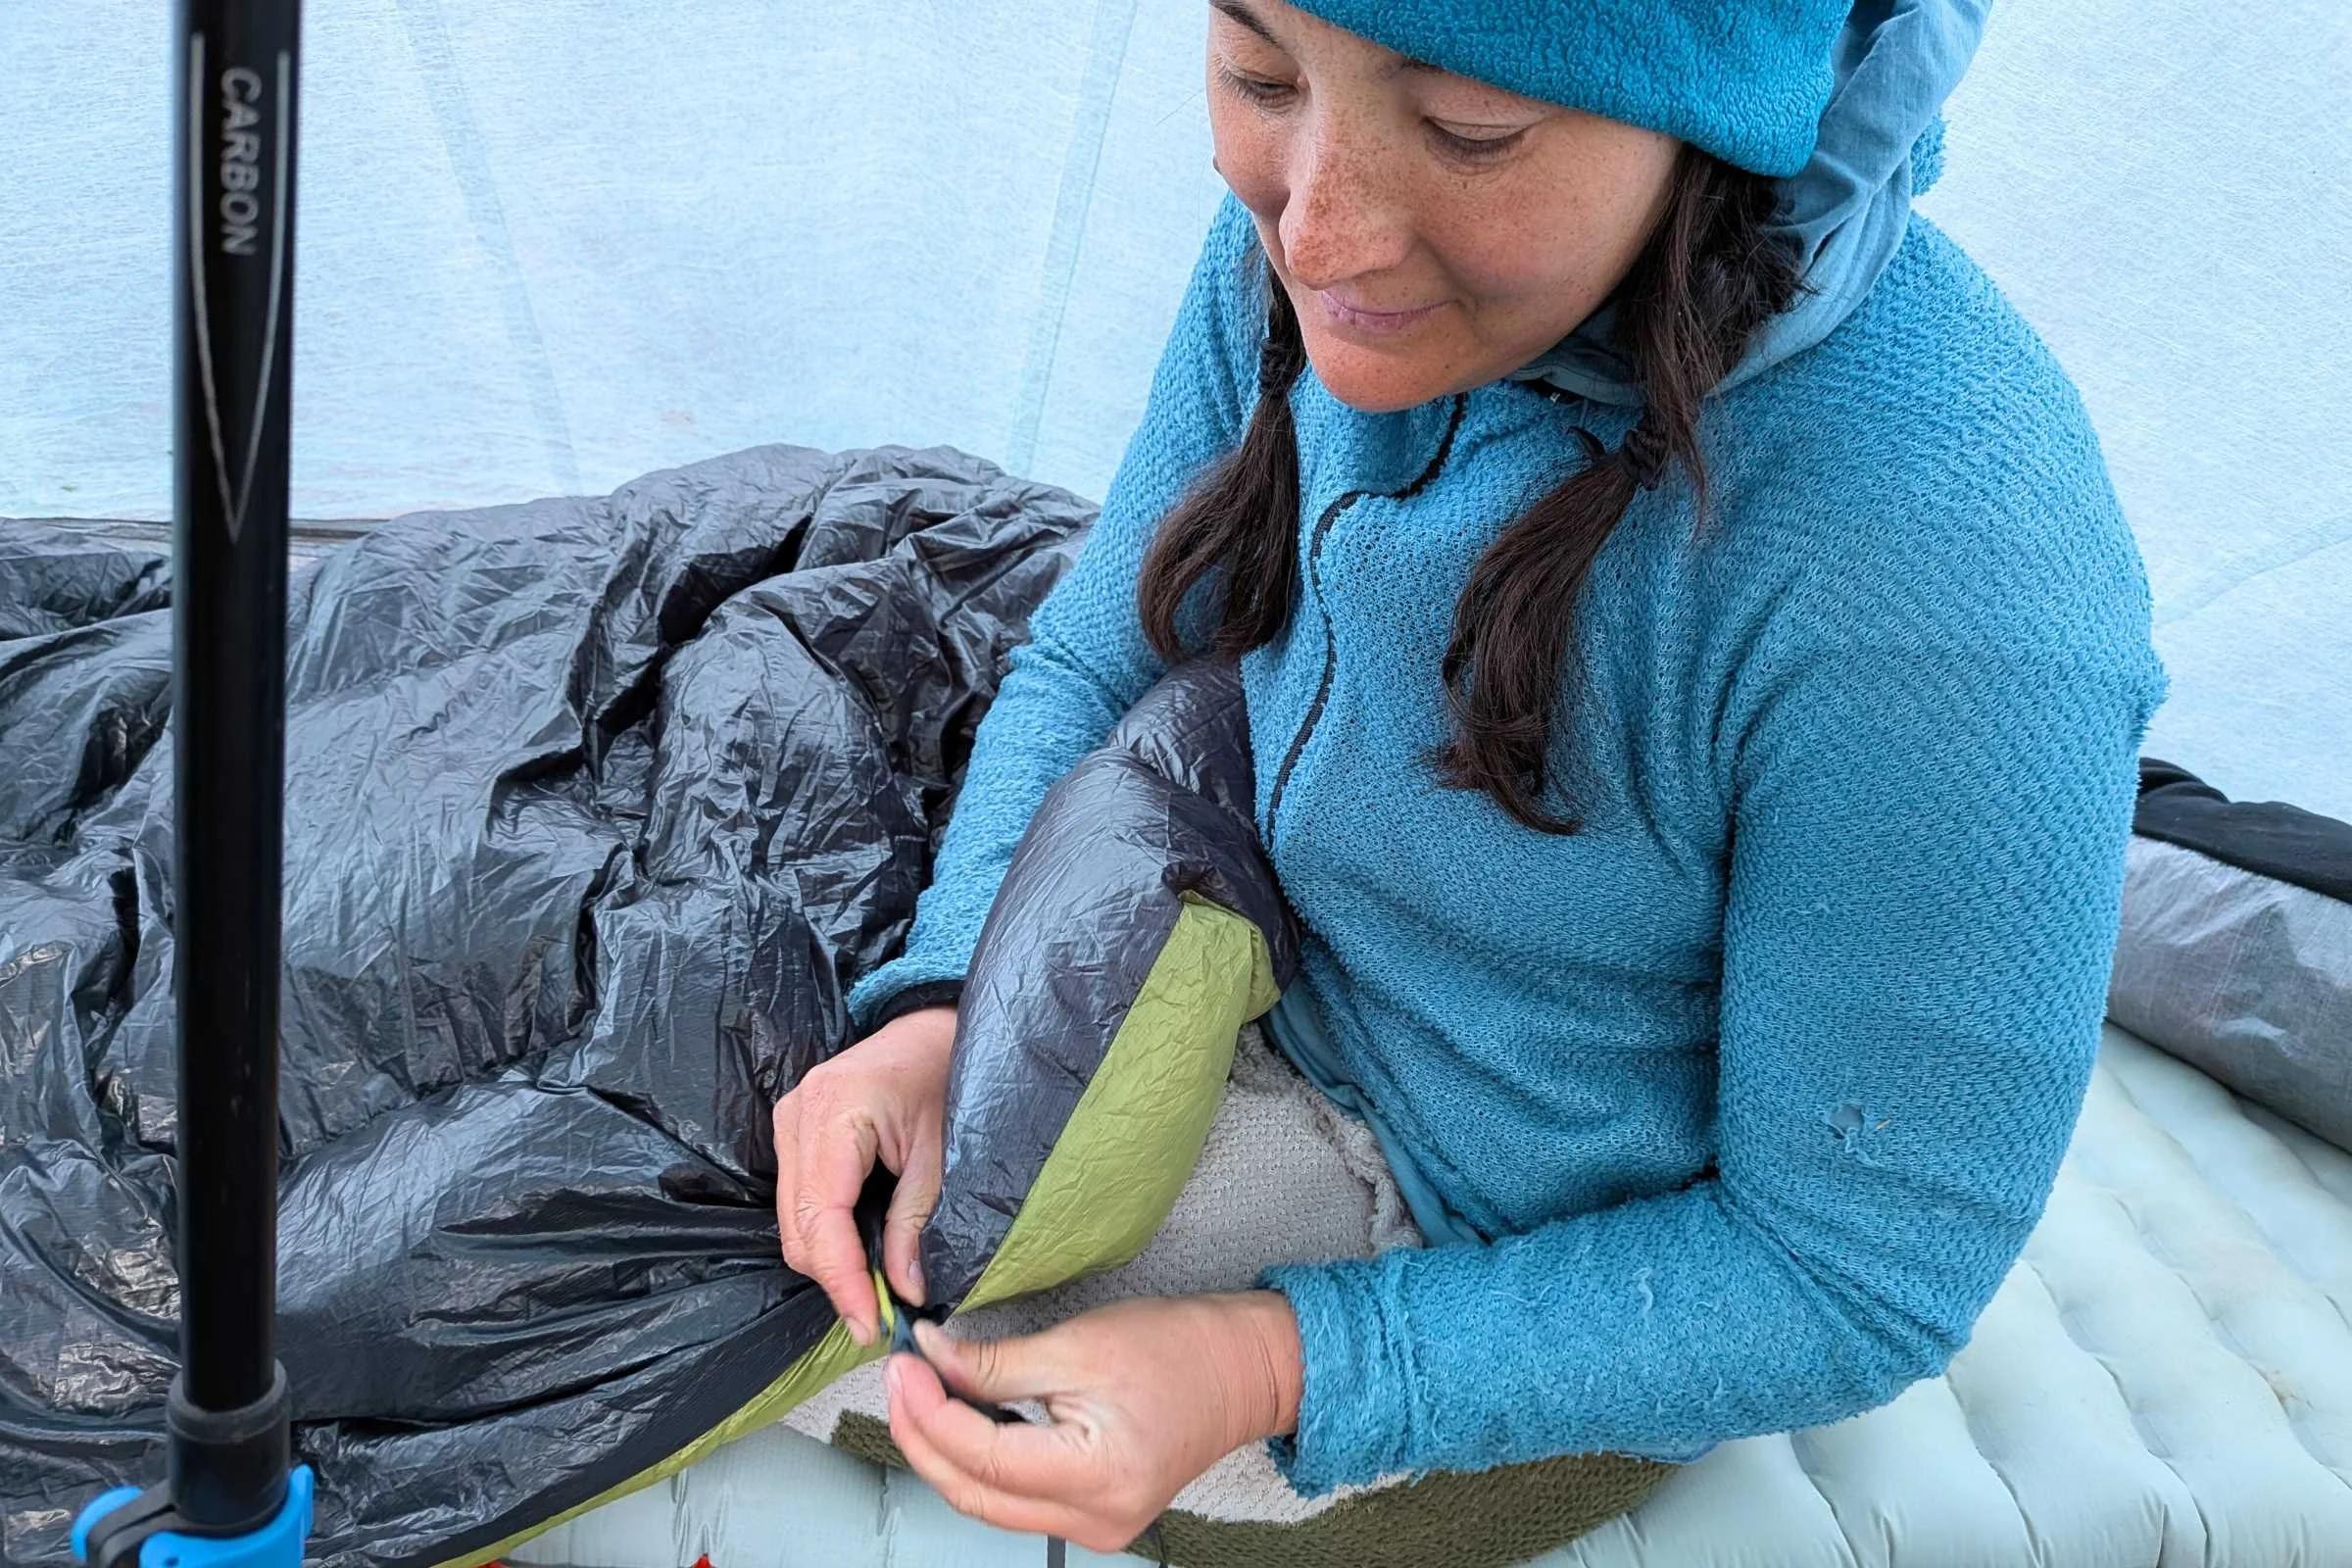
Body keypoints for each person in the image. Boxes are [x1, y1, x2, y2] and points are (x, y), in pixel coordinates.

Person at [769, 0, 2167, 1552]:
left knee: (736, 1309)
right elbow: (1102, 653)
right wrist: (950, 998)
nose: (1316, 230)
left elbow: (1847, 1272)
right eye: (1256, 70)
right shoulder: (1318, 252)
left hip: (1499, 1273)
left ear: (1713, 124)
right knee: (718, 1110)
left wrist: (1261, 1365)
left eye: (1470, 131)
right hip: (1244, 953)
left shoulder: (1945, 577)